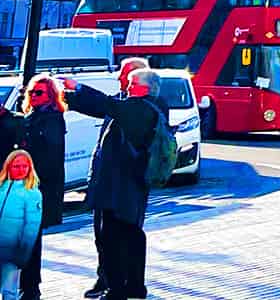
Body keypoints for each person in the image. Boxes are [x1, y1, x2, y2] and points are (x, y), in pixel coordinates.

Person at [64, 67, 166, 300]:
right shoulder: (150, 107)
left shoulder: (140, 109)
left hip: (120, 187)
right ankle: (134, 287)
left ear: (144, 87)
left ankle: (116, 290)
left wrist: (76, 87)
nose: (127, 88)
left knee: (111, 238)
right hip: (130, 186)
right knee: (131, 235)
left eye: (131, 83)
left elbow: (106, 105)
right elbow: (106, 106)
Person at [81, 56, 148, 300]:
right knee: (103, 235)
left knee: (120, 236)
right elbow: (102, 146)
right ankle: (107, 280)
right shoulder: (121, 102)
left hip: (125, 186)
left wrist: (75, 89)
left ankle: (122, 286)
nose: (120, 79)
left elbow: (95, 103)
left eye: (125, 76)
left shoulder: (138, 108)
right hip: (106, 183)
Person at [0, 74, 66, 300]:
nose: (33, 96)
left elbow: (48, 159)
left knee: (29, 239)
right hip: (26, 187)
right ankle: (26, 287)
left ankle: (31, 288)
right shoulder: (33, 116)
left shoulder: (52, 120)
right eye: (31, 92)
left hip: (36, 190)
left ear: (51, 95)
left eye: (39, 92)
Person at [0, 151, 42, 300]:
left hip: (13, 251)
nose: (21, 170)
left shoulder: (32, 193)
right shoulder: (2, 187)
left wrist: (23, 254)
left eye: (25, 166)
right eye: (16, 166)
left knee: (9, 291)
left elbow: (31, 227)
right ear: (8, 167)